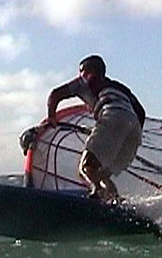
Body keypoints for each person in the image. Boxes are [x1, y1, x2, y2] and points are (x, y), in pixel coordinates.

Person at [45, 54, 145, 202]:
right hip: (134, 129)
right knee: (100, 174)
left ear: (89, 70)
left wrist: (51, 117)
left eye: (81, 70)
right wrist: (126, 135)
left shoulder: (85, 80)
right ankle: (116, 202)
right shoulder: (119, 87)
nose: (79, 74)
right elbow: (141, 112)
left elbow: (55, 95)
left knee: (85, 168)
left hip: (113, 115)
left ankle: (97, 195)